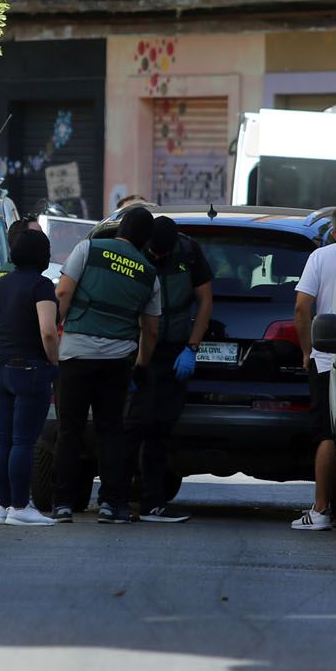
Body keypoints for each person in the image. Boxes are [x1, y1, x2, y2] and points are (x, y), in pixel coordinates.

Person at [51, 205, 161, 524]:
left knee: (69, 430)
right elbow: (151, 329)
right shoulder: (149, 273)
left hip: (75, 354)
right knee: (110, 431)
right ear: (145, 240)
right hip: (117, 361)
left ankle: (62, 504)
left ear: (120, 228)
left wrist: (57, 337)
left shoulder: (88, 249)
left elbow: (63, 291)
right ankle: (111, 504)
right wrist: (140, 365)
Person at [130, 216, 213, 524]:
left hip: (173, 349)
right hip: (139, 350)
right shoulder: (137, 250)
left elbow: (205, 300)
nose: (160, 257)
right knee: (133, 426)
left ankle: (153, 502)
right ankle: (116, 500)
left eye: (164, 254)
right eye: (156, 253)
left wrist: (191, 347)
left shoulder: (188, 251)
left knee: (160, 427)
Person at [0, 228, 61, 527]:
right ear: (43, 255)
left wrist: (5, 351)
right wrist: (53, 361)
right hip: (29, 369)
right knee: (23, 442)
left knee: (3, 439)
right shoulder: (42, 286)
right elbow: (47, 331)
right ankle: (20, 506)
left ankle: (2, 507)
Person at [291, 202, 336, 531]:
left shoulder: (322, 256)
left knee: (327, 434)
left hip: (327, 358)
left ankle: (320, 509)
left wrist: (307, 350)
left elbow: (303, 308)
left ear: (333, 231)